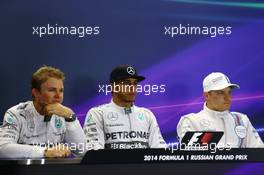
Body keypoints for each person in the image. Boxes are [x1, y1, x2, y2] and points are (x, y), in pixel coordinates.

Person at [0, 66, 86, 158]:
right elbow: (3, 149)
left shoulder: (65, 115)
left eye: (61, 91)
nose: (58, 96)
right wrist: (45, 152)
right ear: (35, 93)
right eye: (52, 90)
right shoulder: (16, 114)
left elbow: (81, 152)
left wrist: (71, 118)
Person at [83, 65, 166, 149]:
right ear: (113, 86)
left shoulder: (147, 115)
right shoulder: (98, 114)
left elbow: (160, 149)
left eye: (135, 83)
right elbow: (94, 152)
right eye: (126, 83)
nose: (132, 88)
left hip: (142, 162)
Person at [177, 72, 263, 148]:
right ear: (207, 95)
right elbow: (190, 158)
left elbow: (259, 153)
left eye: (229, 92)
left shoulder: (242, 120)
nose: (228, 97)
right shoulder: (191, 121)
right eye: (221, 92)